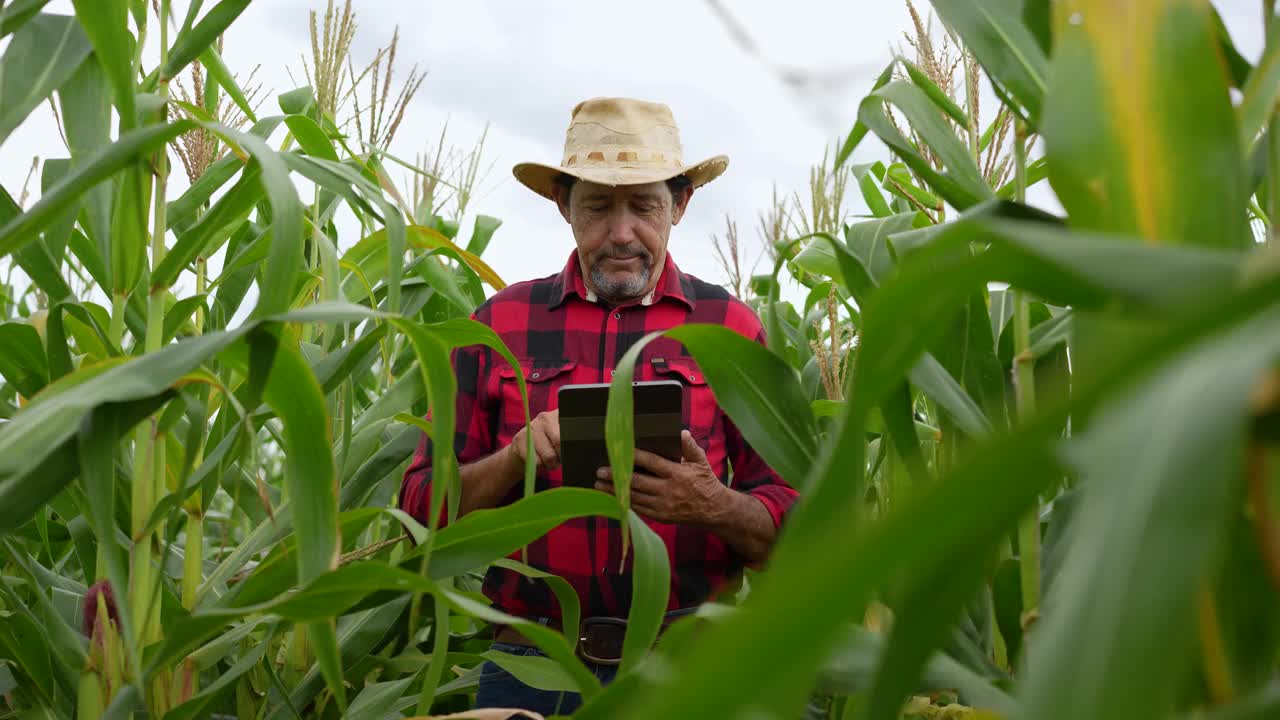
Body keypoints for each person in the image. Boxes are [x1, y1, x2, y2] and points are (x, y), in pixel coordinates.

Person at [399, 97, 798, 715]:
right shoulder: (499, 325)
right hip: (532, 667)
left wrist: (711, 503)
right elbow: (422, 513)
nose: (620, 233)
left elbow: (798, 527)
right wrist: (514, 459)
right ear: (564, 206)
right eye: (597, 206)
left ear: (680, 205)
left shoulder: (731, 331)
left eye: (643, 206)